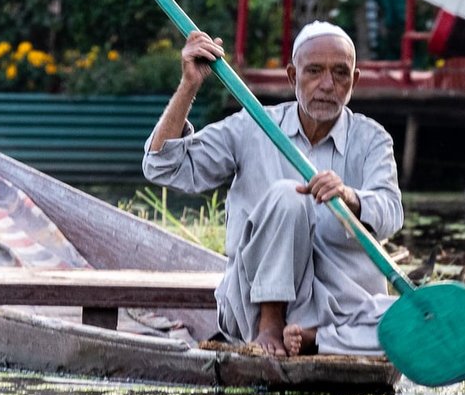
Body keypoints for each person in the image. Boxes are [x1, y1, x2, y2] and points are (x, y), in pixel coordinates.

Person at [143, 20, 402, 358]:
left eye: (340, 74)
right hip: (251, 306)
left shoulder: (372, 139)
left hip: (342, 312)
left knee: (412, 326)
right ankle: (272, 323)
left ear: (354, 81)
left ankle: (314, 339)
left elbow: (391, 213)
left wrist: (350, 197)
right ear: (293, 76)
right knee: (287, 195)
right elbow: (161, 166)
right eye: (314, 72)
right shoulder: (253, 126)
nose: (327, 85)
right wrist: (189, 86)